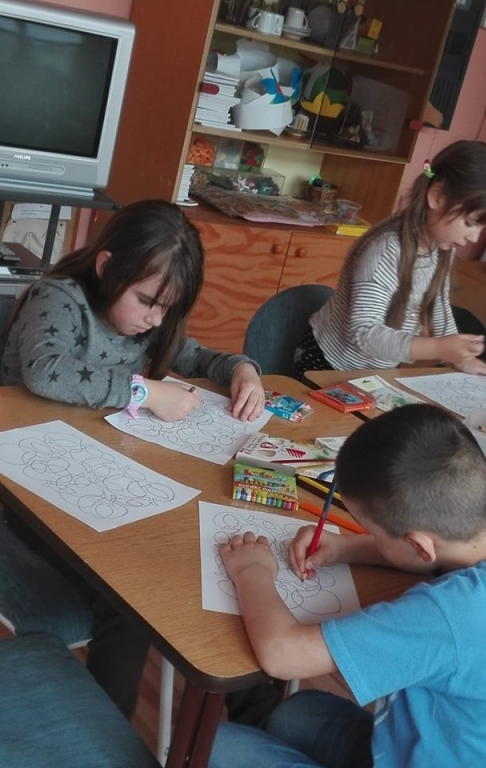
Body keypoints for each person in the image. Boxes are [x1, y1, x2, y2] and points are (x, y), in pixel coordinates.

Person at [0, 199, 266, 719]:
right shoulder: (60, 299)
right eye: (146, 301)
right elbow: (47, 371)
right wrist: (145, 392)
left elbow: (198, 357)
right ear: (107, 267)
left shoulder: (149, 324)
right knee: (132, 598)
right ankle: (107, 729)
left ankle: (254, 714)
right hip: (28, 493)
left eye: (167, 309)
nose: (154, 320)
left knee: (193, 562)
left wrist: (244, 370)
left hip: (100, 481)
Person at [208, 404, 486, 768]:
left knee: (216, 746)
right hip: (443, 749)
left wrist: (251, 570)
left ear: (419, 545)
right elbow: (432, 556)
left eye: (374, 534)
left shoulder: (449, 613)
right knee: (295, 713)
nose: (369, 539)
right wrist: (344, 547)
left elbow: (283, 654)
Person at [294, 140, 486, 383]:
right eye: (470, 223)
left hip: (371, 374)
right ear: (437, 196)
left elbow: (437, 304)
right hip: (326, 364)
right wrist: (439, 348)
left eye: (482, 228)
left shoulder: (441, 246)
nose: (474, 238)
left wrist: (460, 356)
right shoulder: (385, 250)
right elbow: (364, 334)